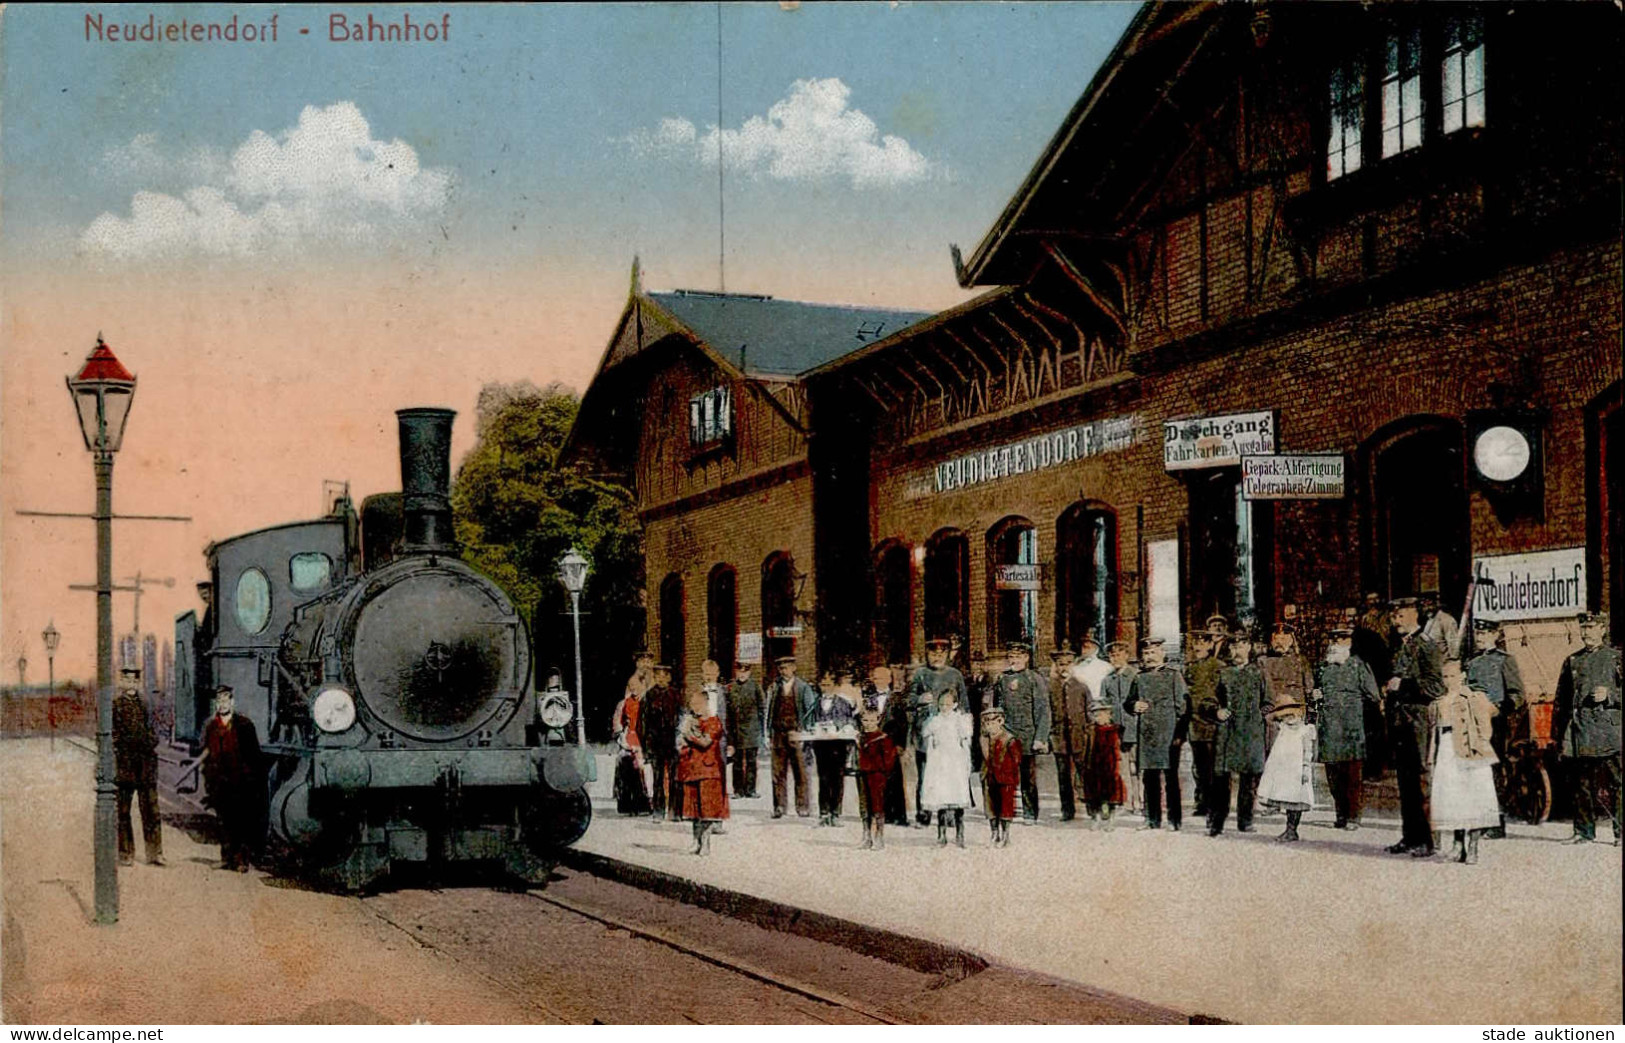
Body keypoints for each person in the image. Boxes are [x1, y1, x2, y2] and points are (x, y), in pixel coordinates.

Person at [1553, 613, 1621, 845]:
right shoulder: (1573, 660)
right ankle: (1584, 831)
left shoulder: (1615, 658)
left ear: (1602, 629)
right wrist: (1558, 734)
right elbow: (1561, 701)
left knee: (1618, 783)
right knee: (1581, 784)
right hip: (1580, 732)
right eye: (1583, 628)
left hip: (1608, 732)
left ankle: (1621, 833)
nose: (1586, 633)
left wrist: (1610, 695)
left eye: (1591, 628)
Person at [1386, 597, 1445, 857]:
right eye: (1394, 616)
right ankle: (1410, 837)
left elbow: (1436, 687)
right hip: (1400, 723)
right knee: (1405, 782)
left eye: (1400, 616)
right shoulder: (1399, 645)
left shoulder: (1426, 646)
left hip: (1419, 723)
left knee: (1421, 781)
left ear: (1414, 615)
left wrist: (1404, 685)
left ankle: (1430, 841)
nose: (1395, 621)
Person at [1426, 662, 1501, 864]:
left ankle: (1473, 845)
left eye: (1452, 676)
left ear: (1463, 676)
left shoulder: (1474, 698)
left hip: (1470, 750)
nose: (1448, 681)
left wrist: (1478, 744)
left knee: (1475, 797)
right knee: (1454, 797)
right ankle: (1458, 844)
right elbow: (1435, 731)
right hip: (1447, 750)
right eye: (1445, 677)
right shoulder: (1439, 702)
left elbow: (1486, 726)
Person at [1313, 624, 1381, 830]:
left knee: (1352, 776)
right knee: (1333, 777)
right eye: (1333, 640)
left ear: (1349, 644)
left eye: (1341, 640)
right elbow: (1314, 691)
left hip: (1351, 729)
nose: (1336, 645)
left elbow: (1374, 695)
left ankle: (1353, 817)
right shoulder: (1322, 668)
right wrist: (1315, 695)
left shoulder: (1358, 665)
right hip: (1329, 729)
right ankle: (1340, 814)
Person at [1465, 618, 1525, 838]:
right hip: (1471, 722)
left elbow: (1517, 695)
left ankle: (1496, 823)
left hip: (1494, 724)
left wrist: (1499, 710)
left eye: (1485, 634)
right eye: (1478, 634)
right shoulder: (1470, 661)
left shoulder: (1504, 660)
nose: (1480, 638)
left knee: (1493, 771)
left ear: (1495, 636)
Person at [1208, 629, 1267, 836]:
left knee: (1248, 780)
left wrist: (1260, 718)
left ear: (1249, 647)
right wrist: (1217, 711)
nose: (1237, 650)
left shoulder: (1259, 672)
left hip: (1250, 732)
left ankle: (1245, 820)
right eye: (1233, 647)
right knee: (1221, 780)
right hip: (1227, 732)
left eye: (1241, 645)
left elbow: (1268, 701)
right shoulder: (1223, 673)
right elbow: (1209, 701)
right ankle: (1216, 823)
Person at [197, 686, 262, 871]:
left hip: (240, 781)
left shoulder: (244, 724)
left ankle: (242, 860)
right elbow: (206, 753)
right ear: (216, 704)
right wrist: (208, 779)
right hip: (219, 782)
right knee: (223, 822)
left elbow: (254, 755)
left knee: (241, 821)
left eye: (226, 700)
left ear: (232, 702)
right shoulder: (211, 726)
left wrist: (251, 779)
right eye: (219, 701)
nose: (222, 704)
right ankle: (226, 858)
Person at [1127, 637, 1188, 831]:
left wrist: (1179, 734)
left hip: (1168, 734)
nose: (1149, 657)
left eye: (1153, 652)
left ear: (1162, 654)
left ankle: (1174, 820)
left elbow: (1183, 707)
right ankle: (1151, 819)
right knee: (1149, 778)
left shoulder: (1173, 675)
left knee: (1171, 778)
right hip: (1147, 734)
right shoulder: (1139, 677)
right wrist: (1134, 705)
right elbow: (1129, 702)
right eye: (1146, 653)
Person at [907, 639, 967, 826]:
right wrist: (918, 699)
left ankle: (947, 813)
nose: (937, 657)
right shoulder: (920, 674)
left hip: (948, 733)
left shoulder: (955, 675)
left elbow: (964, 704)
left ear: (948, 655)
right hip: (925, 733)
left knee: (948, 773)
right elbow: (907, 699)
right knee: (925, 774)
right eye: (933, 654)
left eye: (941, 654)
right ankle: (923, 814)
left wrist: (963, 730)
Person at [993, 641, 1050, 823]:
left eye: (1018, 657)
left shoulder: (1034, 679)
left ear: (1026, 658)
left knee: (1028, 777)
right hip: (1007, 735)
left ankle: (1030, 812)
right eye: (1011, 657)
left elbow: (1043, 710)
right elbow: (997, 708)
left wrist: (1040, 737)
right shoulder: (1002, 679)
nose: (1014, 660)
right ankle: (1007, 810)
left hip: (1027, 735)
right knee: (1006, 776)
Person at [114, 666, 164, 867]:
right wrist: (127, 746)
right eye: (127, 680)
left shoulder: (146, 705)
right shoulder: (115, 705)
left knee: (151, 811)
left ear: (138, 682)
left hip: (145, 766)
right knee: (123, 812)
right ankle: (126, 853)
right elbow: (114, 735)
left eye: (134, 680)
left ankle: (155, 853)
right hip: (125, 766)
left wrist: (147, 742)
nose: (130, 684)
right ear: (122, 682)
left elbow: (154, 731)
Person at [919, 688, 974, 847]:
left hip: (955, 762)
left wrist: (966, 764)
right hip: (939, 762)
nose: (944, 707)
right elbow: (925, 733)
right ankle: (941, 835)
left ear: (955, 704)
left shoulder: (960, 720)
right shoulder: (935, 720)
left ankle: (959, 835)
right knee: (941, 798)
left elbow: (965, 742)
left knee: (957, 798)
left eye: (948, 704)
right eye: (941, 704)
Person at [678, 689, 728, 856]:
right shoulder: (692, 721)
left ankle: (705, 844)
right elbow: (681, 745)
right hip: (691, 769)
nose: (695, 708)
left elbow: (705, 742)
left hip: (709, 770)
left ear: (706, 704)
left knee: (707, 810)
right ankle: (695, 841)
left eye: (698, 704)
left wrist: (688, 735)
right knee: (693, 809)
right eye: (693, 705)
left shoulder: (714, 722)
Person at [1258, 700, 1317, 843]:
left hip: (1297, 771)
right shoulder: (1283, 729)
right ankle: (1289, 829)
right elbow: (1270, 720)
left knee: (1296, 801)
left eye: (1292, 714)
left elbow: (1308, 751)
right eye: (1285, 716)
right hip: (1284, 771)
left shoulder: (1306, 730)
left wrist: (1305, 768)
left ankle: (1292, 829)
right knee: (1287, 798)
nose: (1290, 718)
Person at [766, 655, 816, 818]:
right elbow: (769, 711)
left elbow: (810, 712)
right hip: (778, 734)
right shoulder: (774, 687)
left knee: (800, 771)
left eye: (786, 667)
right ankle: (779, 806)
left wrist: (805, 733)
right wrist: (768, 733)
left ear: (793, 668)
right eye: (780, 668)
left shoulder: (803, 687)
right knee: (777, 772)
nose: (783, 671)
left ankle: (802, 806)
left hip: (796, 733)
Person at [863, 662, 911, 826]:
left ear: (889, 679)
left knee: (895, 779)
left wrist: (901, 745)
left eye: (882, 678)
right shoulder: (868, 698)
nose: (878, 681)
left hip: (891, 744)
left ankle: (899, 816)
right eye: (875, 678)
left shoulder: (897, 698)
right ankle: (880, 813)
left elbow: (903, 723)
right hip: (874, 744)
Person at [811, 667, 859, 825]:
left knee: (837, 779)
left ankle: (836, 813)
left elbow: (850, 721)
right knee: (823, 779)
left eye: (828, 684)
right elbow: (810, 721)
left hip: (838, 745)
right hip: (820, 745)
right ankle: (823, 813)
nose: (825, 687)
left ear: (835, 685)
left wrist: (837, 726)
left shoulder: (843, 702)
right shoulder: (815, 702)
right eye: (822, 684)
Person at [1183, 630, 1222, 819]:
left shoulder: (1218, 667)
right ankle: (1202, 802)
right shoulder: (1189, 667)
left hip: (1211, 722)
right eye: (1195, 644)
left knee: (1212, 765)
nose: (1197, 647)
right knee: (1198, 766)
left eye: (1202, 643)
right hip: (1194, 723)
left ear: (1210, 645)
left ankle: (1214, 803)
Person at [1050, 645, 1090, 822]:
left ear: (1073, 665)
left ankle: (1091, 807)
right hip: (1060, 738)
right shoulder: (1050, 688)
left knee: (1084, 772)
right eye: (1060, 664)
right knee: (1063, 775)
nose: (1064, 667)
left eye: (1067, 664)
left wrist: (1089, 734)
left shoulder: (1081, 687)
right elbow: (1048, 712)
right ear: (1056, 666)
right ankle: (1067, 810)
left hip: (1079, 736)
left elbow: (1089, 713)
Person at [638, 664, 682, 821]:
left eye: (665, 676)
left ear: (669, 678)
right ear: (654, 678)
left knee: (675, 777)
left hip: (673, 743)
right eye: (658, 676)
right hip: (655, 743)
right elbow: (641, 724)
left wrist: (682, 740)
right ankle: (658, 810)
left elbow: (682, 719)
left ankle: (675, 811)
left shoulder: (676, 695)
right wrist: (645, 746)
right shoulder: (649, 696)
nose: (661, 679)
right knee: (657, 778)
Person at [1260, 621, 1315, 748]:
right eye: (1276, 639)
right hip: (1273, 715)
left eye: (1284, 638)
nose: (1279, 642)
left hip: (1296, 714)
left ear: (1291, 640)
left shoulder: (1300, 661)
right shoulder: (1263, 662)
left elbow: (1309, 689)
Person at [1102, 641, 1140, 814]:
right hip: (1116, 729)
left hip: (1135, 727)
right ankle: (1126, 801)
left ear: (1126, 655)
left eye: (1118, 655)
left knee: (1138, 766)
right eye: (1112, 655)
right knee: (1122, 767)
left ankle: (1140, 800)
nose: (1115, 658)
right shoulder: (1108, 679)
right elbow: (1103, 704)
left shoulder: (1136, 676)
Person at [856, 708, 900, 850]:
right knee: (864, 805)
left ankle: (879, 837)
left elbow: (889, 761)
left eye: (871, 720)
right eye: (865, 720)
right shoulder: (859, 737)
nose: (868, 723)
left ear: (878, 720)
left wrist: (878, 768)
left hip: (877, 776)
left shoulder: (883, 738)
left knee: (877, 806)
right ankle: (866, 836)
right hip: (862, 774)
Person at [1080, 699, 1126, 830]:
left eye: (1101, 714)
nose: (1098, 718)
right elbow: (1086, 748)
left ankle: (1111, 820)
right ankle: (1096, 818)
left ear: (1109, 715)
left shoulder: (1116, 730)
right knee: (1094, 794)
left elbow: (1120, 750)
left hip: (1111, 766)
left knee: (1112, 794)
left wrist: (1120, 766)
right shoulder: (1091, 730)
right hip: (1094, 766)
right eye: (1095, 715)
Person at [611, 673, 651, 816]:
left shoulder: (648, 702)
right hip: (628, 739)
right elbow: (617, 722)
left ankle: (643, 806)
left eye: (636, 686)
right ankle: (626, 805)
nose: (633, 688)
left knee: (642, 772)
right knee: (625, 770)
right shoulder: (624, 703)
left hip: (643, 740)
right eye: (630, 686)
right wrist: (621, 735)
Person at [980, 706, 1021, 847]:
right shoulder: (983, 740)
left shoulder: (1009, 739)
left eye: (991, 723)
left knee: (1006, 807)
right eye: (986, 724)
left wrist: (1009, 773)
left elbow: (1016, 759)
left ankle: (1006, 835)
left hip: (1006, 778)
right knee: (991, 807)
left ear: (1000, 721)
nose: (988, 727)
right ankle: (994, 833)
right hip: (989, 777)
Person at [726, 660, 765, 799]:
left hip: (751, 730)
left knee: (751, 761)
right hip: (736, 730)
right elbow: (728, 710)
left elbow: (762, 708)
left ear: (749, 673)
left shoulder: (755, 687)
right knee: (736, 761)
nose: (742, 674)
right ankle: (738, 790)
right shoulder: (730, 687)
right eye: (739, 672)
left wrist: (760, 730)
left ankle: (750, 789)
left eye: (745, 672)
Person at [1421, 591, 1462, 663]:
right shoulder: (1427, 620)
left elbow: (1453, 645)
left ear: (1436, 603)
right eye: (1424, 605)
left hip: (1443, 664)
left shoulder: (1446, 620)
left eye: (1430, 604)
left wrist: (1452, 662)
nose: (1427, 608)